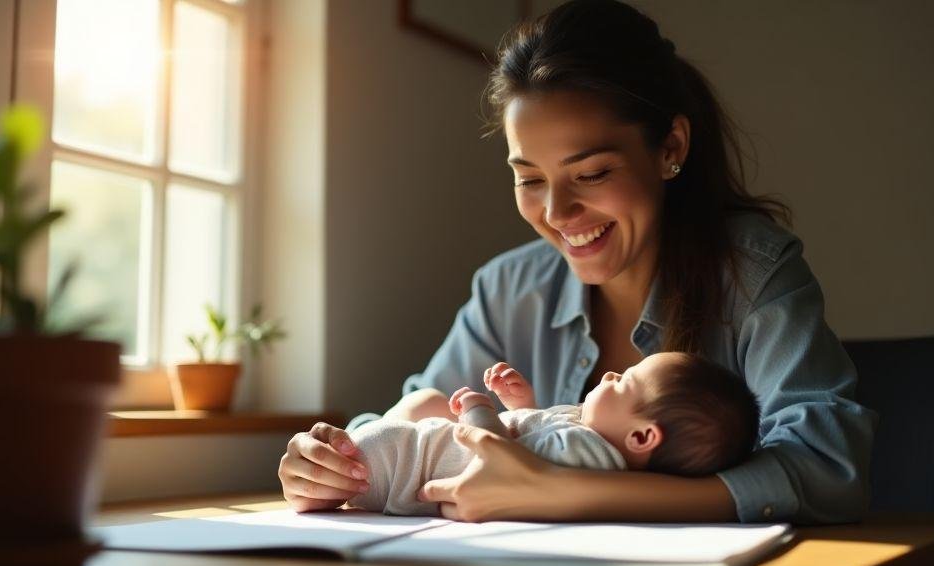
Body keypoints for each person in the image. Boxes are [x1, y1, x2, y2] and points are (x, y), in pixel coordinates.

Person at [278, 0, 876, 524]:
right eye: (530, 178)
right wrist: (329, 465)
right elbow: (414, 414)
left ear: (670, 147)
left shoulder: (754, 273)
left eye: (591, 173)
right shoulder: (509, 289)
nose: (557, 212)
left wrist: (564, 491)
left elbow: (827, 468)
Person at [348, 353, 759, 515]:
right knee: (424, 400)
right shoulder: (586, 430)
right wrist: (521, 405)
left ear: (640, 438)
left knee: (412, 416)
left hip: (407, 470)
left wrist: (480, 411)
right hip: (416, 454)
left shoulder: (590, 452)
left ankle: (349, 464)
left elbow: (497, 455)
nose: (610, 375)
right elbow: (533, 440)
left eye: (624, 382)